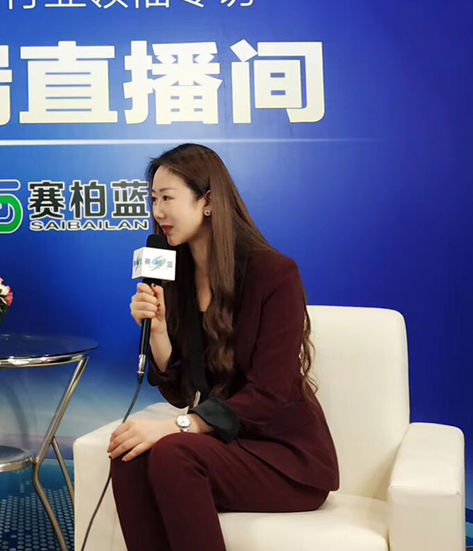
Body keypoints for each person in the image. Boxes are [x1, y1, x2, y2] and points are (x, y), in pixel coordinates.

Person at [109, 144, 339, 551]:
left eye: (167, 198)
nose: (158, 212)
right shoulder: (176, 278)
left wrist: (179, 426)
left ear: (209, 201)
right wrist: (158, 332)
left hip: (284, 458)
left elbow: (269, 392)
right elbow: (184, 393)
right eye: (153, 199)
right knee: (129, 456)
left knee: (174, 452)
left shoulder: (275, 274)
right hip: (223, 447)